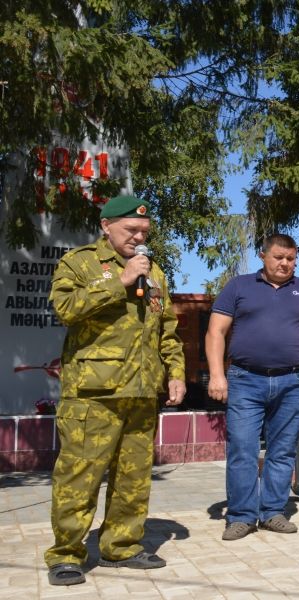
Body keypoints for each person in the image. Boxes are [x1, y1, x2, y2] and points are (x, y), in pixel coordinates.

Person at [45, 195, 186, 586]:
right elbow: (65, 308)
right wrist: (119, 280)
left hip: (141, 391)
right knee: (79, 477)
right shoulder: (80, 262)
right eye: (131, 230)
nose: (139, 237)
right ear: (106, 226)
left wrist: (175, 372)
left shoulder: (155, 270)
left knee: (133, 479)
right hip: (93, 394)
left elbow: (167, 328)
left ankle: (121, 547)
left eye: (145, 231)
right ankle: (66, 554)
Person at [205, 233, 299, 541]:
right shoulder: (239, 287)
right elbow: (215, 332)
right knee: (242, 449)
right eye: (279, 257)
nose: (285, 263)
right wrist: (216, 374)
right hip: (245, 380)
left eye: (291, 258)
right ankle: (241, 516)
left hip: (293, 382)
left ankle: (273, 512)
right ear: (263, 256)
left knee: (283, 450)